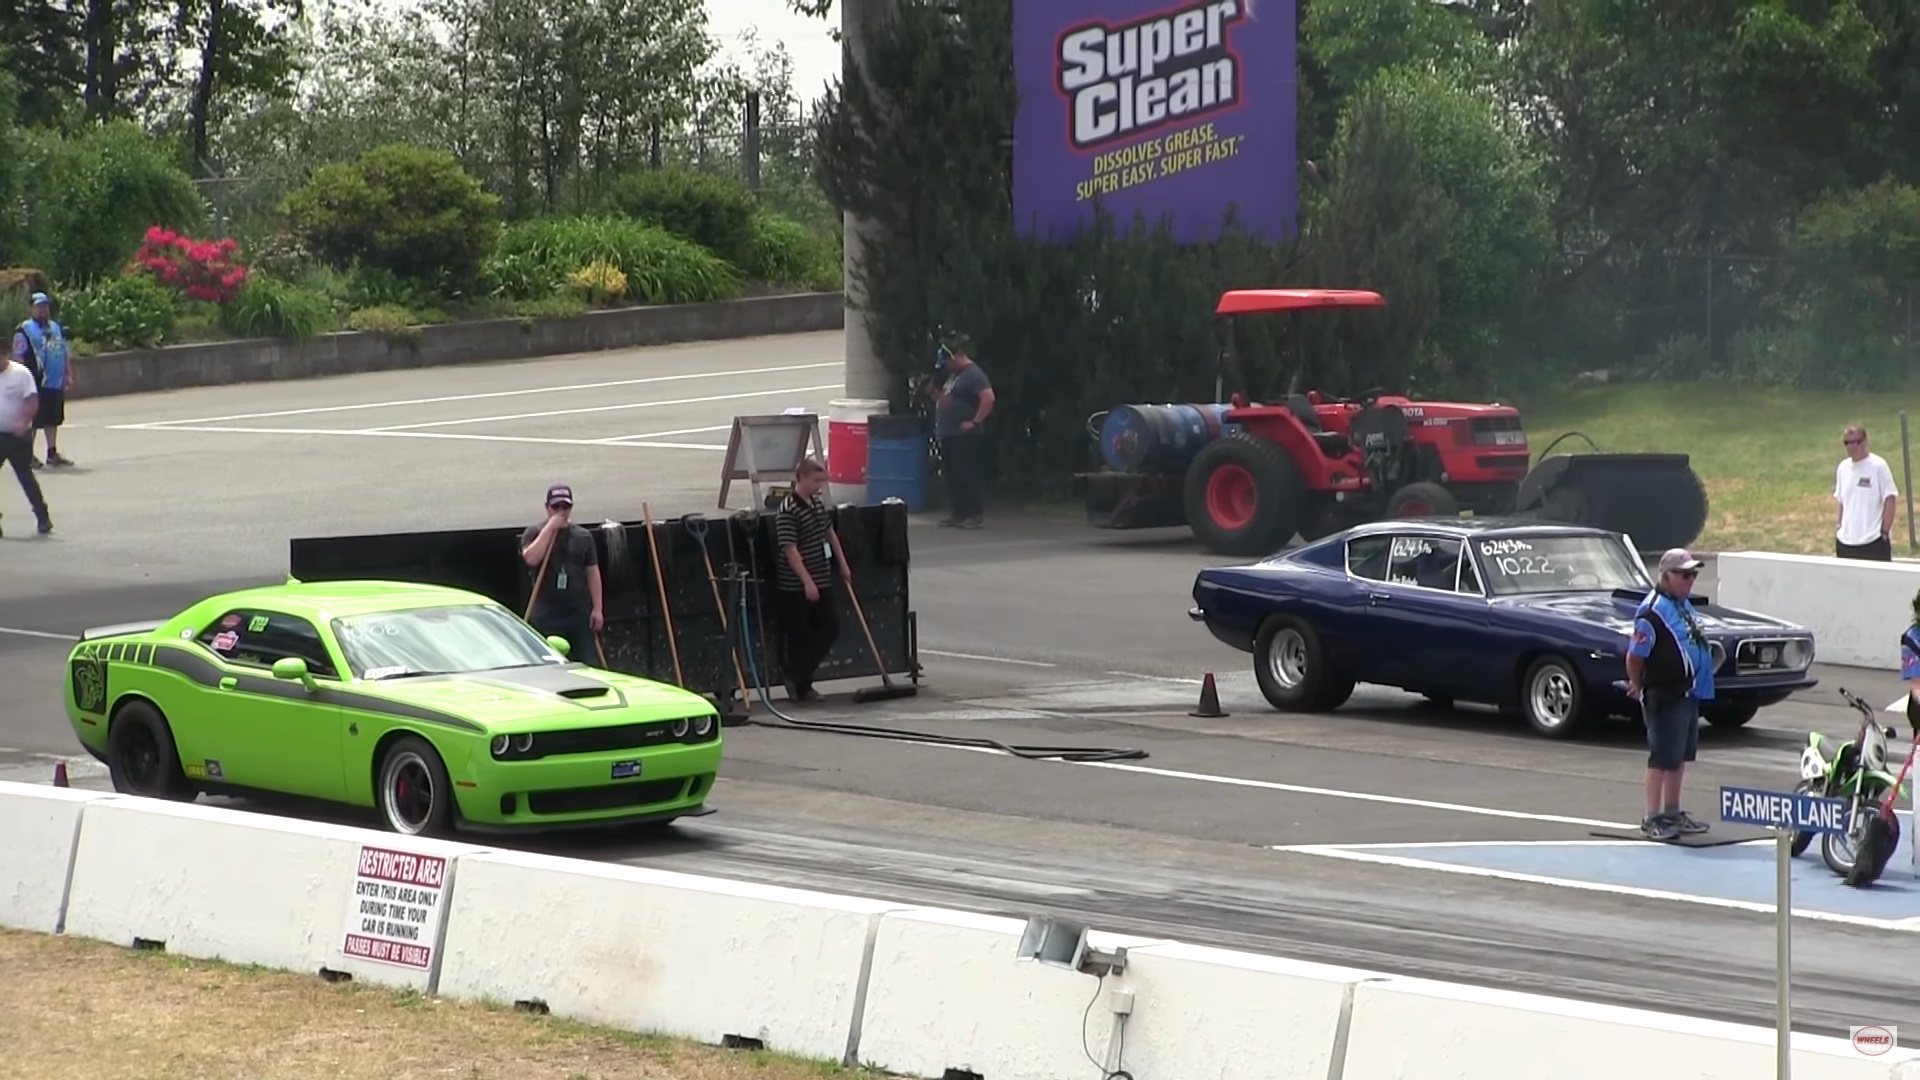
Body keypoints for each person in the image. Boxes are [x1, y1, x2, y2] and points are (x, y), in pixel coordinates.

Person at [1624, 548, 1716, 840]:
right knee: (1662, 757)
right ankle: (1653, 817)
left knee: (1679, 756)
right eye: (1684, 575)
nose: (1690, 580)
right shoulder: (1652, 612)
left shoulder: (1682, 604)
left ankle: (1673, 812)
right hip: (1664, 693)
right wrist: (1636, 684)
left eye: (1693, 575)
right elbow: (1635, 655)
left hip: (1687, 692)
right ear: (1666, 576)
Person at [773, 456, 850, 702]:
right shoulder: (788, 510)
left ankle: (799, 672)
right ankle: (801, 683)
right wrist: (806, 581)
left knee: (830, 626)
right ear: (802, 478)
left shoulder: (816, 504)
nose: (819, 485)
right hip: (795, 585)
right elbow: (789, 549)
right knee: (800, 633)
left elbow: (829, 533)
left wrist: (843, 563)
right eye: (816, 480)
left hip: (822, 575)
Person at [518, 483, 603, 663]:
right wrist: (550, 529)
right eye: (555, 507)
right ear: (546, 507)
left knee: (587, 662)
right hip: (547, 613)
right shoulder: (534, 532)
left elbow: (593, 572)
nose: (560, 511)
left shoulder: (583, 536)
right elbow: (531, 558)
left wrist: (597, 608)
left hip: (578, 612)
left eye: (565, 507)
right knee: (549, 663)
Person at [926, 337, 994, 529]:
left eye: (947, 362)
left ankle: (974, 514)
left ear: (956, 356)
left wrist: (975, 421)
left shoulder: (974, 374)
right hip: (950, 433)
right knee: (953, 474)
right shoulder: (956, 376)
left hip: (965, 434)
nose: (946, 367)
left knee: (967, 474)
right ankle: (959, 513)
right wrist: (935, 395)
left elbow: (988, 397)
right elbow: (950, 400)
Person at [12, 292, 74, 468]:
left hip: (54, 382)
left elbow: (64, 352)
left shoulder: (56, 328)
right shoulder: (24, 330)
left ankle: (52, 453)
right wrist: (20, 379)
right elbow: (19, 356)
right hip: (35, 381)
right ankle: (27, 455)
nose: (43, 310)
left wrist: (68, 374)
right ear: (31, 309)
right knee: (33, 420)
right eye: (39, 307)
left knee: (53, 419)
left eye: (45, 307)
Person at [0, 346, 51, 536]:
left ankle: (42, 517)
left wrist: (23, 422)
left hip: (17, 437)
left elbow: (32, 401)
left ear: (4, 355)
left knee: (25, 477)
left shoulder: (20, 374)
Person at [1833, 423, 1896, 561]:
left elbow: (1890, 499)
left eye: (1856, 442)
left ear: (1865, 441)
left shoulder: (1878, 466)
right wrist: (1839, 527)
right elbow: (1842, 502)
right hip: (1846, 542)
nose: (1851, 447)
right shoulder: (1843, 468)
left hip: (1872, 540)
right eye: (1847, 443)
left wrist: (1884, 532)